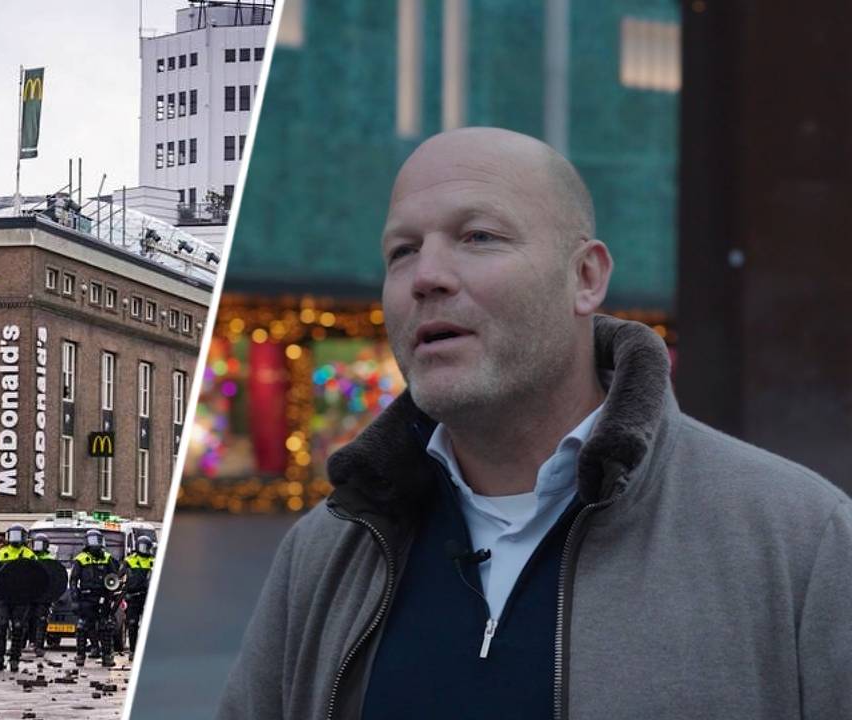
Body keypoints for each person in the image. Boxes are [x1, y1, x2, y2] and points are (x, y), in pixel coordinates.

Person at [217, 127, 852, 720]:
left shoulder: (798, 540)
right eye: (402, 251)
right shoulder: (326, 550)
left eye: (479, 237)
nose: (427, 278)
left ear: (585, 277)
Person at [0, 524, 36, 672]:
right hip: (4, 597)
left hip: (21, 597)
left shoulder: (29, 554)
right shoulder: (2, 553)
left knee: (18, 627)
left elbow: (36, 575)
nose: (15, 539)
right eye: (13, 535)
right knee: (0, 627)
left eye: (18, 536)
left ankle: (14, 659)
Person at [69, 529, 122, 668]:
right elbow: (73, 580)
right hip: (86, 597)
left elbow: (114, 576)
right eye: (92, 541)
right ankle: (80, 655)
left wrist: (112, 592)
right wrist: (74, 598)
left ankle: (107, 656)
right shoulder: (81, 558)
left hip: (103, 597)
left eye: (97, 540)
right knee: (82, 626)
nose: (95, 544)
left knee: (105, 627)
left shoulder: (107, 558)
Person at [121, 535, 155, 658]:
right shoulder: (130, 560)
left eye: (146, 547)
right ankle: (133, 650)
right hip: (133, 596)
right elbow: (119, 575)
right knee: (132, 623)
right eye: (142, 547)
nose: (144, 550)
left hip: (149, 596)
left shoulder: (153, 561)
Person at [25, 532, 56, 657]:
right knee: (24, 619)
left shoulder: (50, 559)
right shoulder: (29, 557)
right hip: (29, 594)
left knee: (41, 621)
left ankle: (39, 646)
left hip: (43, 595)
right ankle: (21, 644)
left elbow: (54, 577)